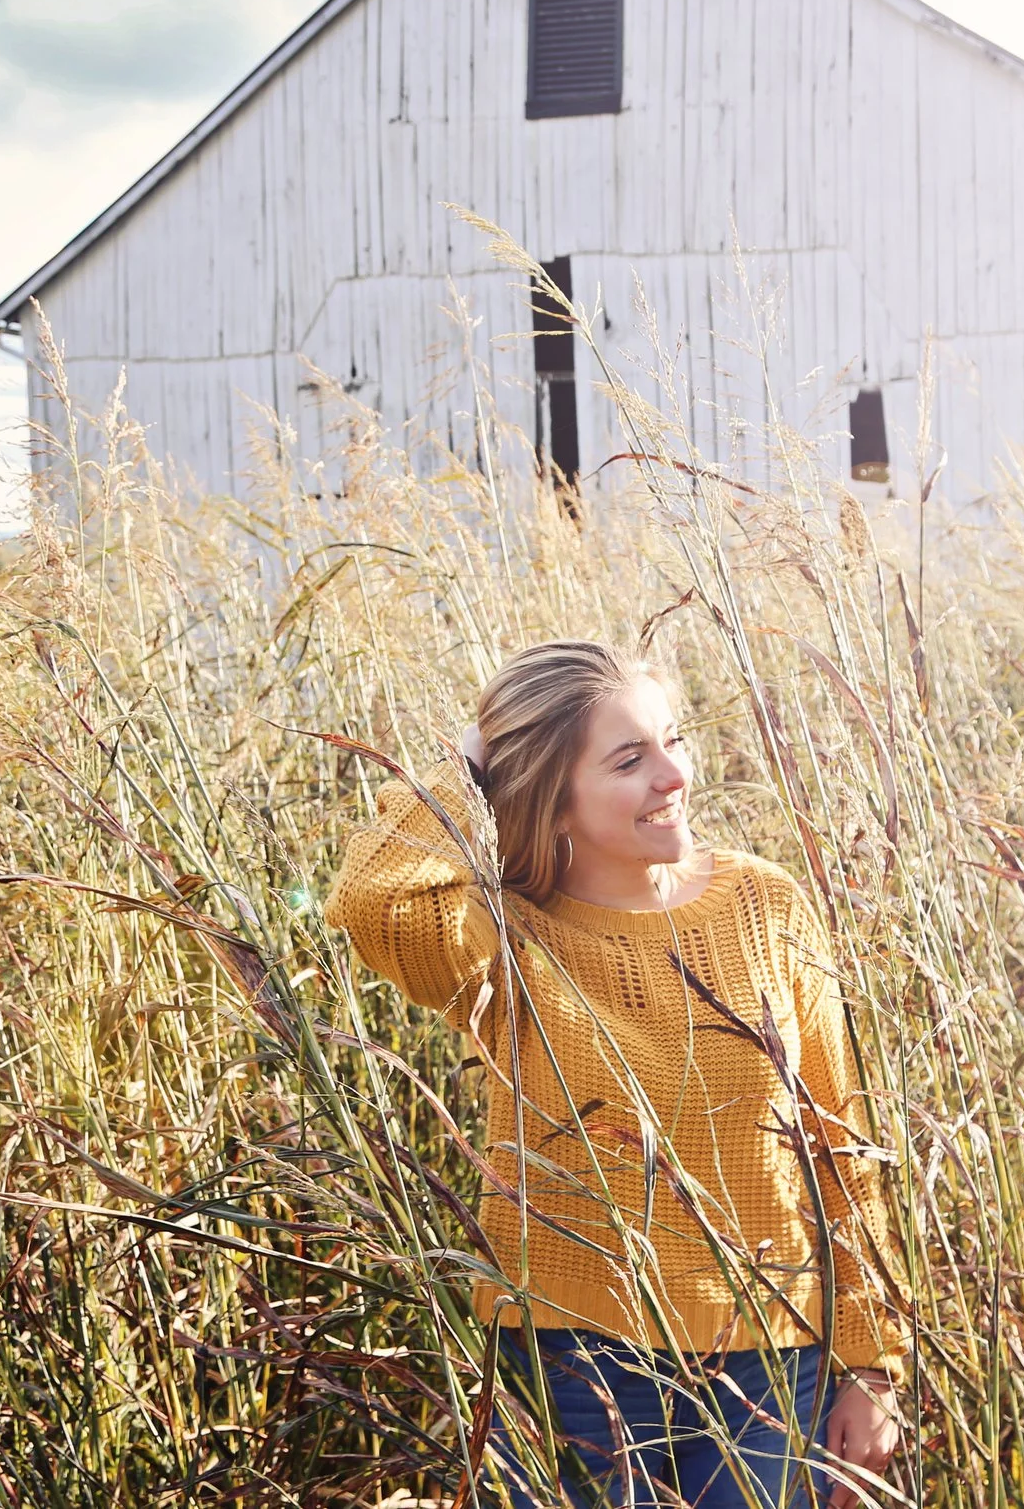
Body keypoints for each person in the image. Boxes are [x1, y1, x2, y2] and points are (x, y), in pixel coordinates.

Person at [324, 640, 904, 1508]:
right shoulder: (505, 935)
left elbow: (839, 1134)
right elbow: (375, 902)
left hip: (771, 1362)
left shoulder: (764, 903)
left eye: (674, 740)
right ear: (550, 795)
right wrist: (468, 766)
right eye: (630, 759)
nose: (673, 775)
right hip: (571, 1358)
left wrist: (871, 1359)